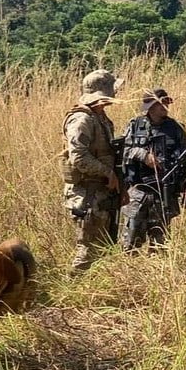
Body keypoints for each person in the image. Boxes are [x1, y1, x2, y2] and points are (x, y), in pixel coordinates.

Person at [121, 88, 186, 251]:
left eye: (166, 103)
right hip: (139, 190)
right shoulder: (135, 126)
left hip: (165, 191)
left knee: (160, 243)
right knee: (130, 242)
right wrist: (143, 155)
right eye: (160, 103)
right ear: (150, 107)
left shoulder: (176, 128)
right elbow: (123, 151)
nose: (165, 106)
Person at [61, 69, 122, 272]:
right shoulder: (82, 119)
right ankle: (72, 292)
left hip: (100, 193)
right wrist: (107, 172)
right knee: (86, 252)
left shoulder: (100, 117)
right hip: (87, 195)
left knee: (103, 248)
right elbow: (78, 156)